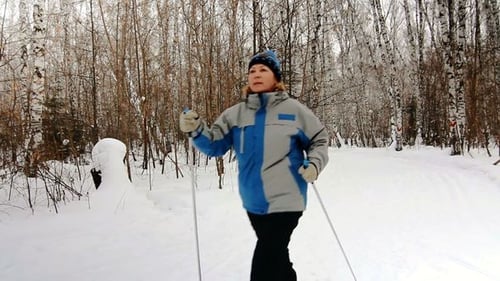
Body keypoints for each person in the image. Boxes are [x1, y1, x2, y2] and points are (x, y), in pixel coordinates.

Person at [179, 50, 329, 281]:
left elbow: (319, 139)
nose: (256, 74)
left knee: (264, 264)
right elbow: (215, 146)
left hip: (287, 199)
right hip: (253, 203)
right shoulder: (235, 114)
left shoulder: (294, 111)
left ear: (276, 77)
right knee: (278, 259)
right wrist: (196, 131)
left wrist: (315, 164)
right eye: (252, 71)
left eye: (263, 70)